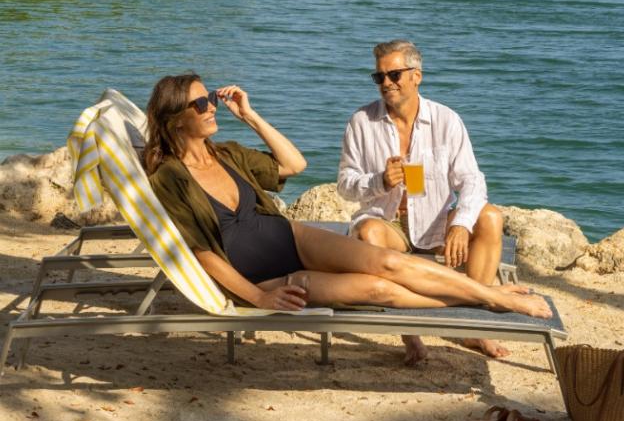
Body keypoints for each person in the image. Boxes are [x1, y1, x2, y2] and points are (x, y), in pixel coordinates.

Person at [144, 72, 551, 327]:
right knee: (379, 290)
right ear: (175, 118)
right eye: (201, 104)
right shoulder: (170, 178)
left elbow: (293, 164)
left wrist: (250, 116)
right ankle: (488, 300)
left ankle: (489, 297)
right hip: (265, 276)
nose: (211, 107)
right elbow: (201, 254)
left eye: (210, 99)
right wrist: (260, 298)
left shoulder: (227, 153)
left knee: (390, 263)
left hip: (293, 237)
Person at [338, 40, 510, 365]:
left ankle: (473, 324)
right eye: (379, 77)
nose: (386, 83)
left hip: (434, 221)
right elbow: (345, 186)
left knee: (489, 218)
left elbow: (472, 180)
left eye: (394, 75)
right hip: (387, 223)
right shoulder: (361, 122)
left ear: (417, 76)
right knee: (370, 233)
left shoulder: (446, 120)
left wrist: (460, 223)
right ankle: (409, 330)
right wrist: (380, 181)